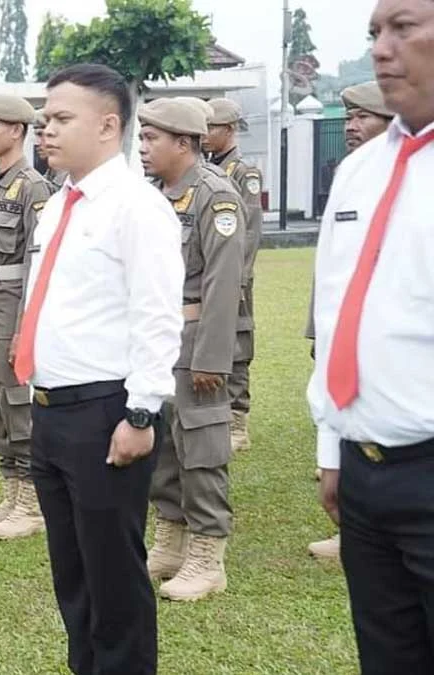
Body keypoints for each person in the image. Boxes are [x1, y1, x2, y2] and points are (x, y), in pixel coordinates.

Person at [16, 64, 181, 674]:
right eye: (44, 120)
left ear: (109, 125)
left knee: (114, 577)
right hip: (52, 410)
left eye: (61, 120)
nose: (46, 132)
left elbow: (157, 315)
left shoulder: (137, 207)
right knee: (74, 575)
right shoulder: (60, 204)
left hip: (106, 413)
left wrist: (140, 412)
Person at [310, 1, 434, 671]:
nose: (381, 49)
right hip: (365, 472)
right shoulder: (360, 171)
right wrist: (334, 442)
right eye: (373, 34)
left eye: (403, 28)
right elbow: (334, 312)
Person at [140, 98, 245, 603]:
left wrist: (211, 357)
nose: (142, 148)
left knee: (201, 449)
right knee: (163, 446)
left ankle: (207, 555)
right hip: (157, 340)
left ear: (184, 143)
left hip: (195, 337)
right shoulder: (153, 194)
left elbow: (226, 283)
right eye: (141, 137)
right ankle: (171, 538)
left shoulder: (214, 197)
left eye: (151, 138)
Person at [305, 79, 392, 562]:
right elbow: (335, 269)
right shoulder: (351, 174)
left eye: (363, 117)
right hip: (348, 341)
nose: (352, 127)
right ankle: (354, 529)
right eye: (350, 117)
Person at [0, 94, 54, 542]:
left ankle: (32, 501)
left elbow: (36, 267)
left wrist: (24, 327)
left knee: (19, 408)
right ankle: (11, 492)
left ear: (17, 131)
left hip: (9, 314)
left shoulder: (33, 187)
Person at [204, 98, 263, 453]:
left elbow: (251, 231)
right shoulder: (209, 169)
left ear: (229, 130)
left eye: (212, 128)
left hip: (235, 275)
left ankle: (238, 419)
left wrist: (238, 278)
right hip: (212, 274)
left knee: (237, 344)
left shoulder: (244, 172)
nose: (205, 134)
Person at [342, 81, 393, 152]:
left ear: (391, 123)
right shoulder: (350, 162)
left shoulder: (410, 161)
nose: (350, 127)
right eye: (348, 118)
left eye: (362, 116)